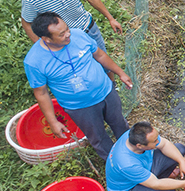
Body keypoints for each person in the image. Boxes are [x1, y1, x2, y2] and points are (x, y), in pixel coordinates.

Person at [23, 12, 132, 159]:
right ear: (46, 39)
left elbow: (99, 55)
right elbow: (41, 93)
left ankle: (134, 153)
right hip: (81, 107)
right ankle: (116, 164)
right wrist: (53, 122)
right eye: (62, 34)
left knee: (120, 124)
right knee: (98, 138)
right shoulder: (34, 61)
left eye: (67, 29)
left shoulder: (78, 35)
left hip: (106, 92)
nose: (68, 34)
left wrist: (120, 72)